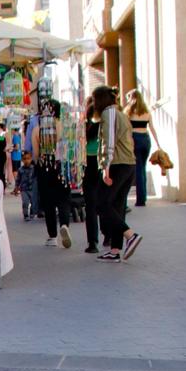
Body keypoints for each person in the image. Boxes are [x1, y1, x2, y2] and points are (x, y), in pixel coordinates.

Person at [91, 83, 139, 261]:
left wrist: (105, 167)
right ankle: (115, 249)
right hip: (128, 164)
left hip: (117, 164)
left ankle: (130, 235)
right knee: (118, 205)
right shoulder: (121, 114)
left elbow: (109, 142)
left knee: (102, 203)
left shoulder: (108, 113)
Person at [28, 98, 71, 249]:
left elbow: (35, 153)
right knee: (64, 198)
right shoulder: (64, 126)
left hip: (44, 166)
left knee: (48, 202)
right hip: (61, 165)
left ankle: (52, 236)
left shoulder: (37, 129)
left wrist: (38, 160)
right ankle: (64, 224)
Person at [80, 98, 103, 254]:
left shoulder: (83, 127)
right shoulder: (104, 126)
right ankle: (108, 235)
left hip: (87, 164)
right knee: (106, 202)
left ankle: (93, 242)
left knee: (91, 205)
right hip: (102, 163)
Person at [127, 87, 153, 209]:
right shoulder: (147, 112)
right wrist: (157, 144)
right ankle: (143, 197)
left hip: (135, 140)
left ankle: (140, 200)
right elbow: (151, 128)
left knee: (138, 169)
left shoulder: (129, 113)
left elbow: (127, 130)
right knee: (143, 168)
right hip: (146, 139)